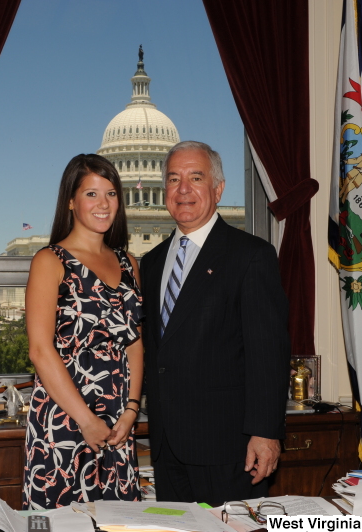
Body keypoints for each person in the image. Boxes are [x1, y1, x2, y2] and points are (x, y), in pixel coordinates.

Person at [140, 141, 290, 506]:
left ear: (218, 189)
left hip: (228, 446)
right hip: (166, 446)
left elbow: (268, 354)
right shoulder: (151, 262)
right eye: (173, 179)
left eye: (196, 177)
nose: (183, 189)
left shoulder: (251, 256)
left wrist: (266, 433)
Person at [23, 154, 144, 509]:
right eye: (91, 194)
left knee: (119, 521)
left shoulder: (129, 263)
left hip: (118, 422)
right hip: (64, 420)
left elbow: (133, 344)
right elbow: (40, 351)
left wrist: (132, 410)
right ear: (71, 202)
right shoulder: (50, 260)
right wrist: (86, 420)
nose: (103, 204)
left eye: (111, 193)